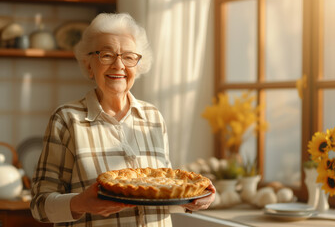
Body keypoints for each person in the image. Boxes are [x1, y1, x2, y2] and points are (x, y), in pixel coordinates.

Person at [30, 13, 215, 227]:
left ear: (138, 65)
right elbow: (39, 205)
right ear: (89, 65)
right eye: (107, 55)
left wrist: (195, 199)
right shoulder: (67, 120)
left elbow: (162, 195)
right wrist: (81, 203)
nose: (119, 65)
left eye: (128, 57)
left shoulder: (153, 117)